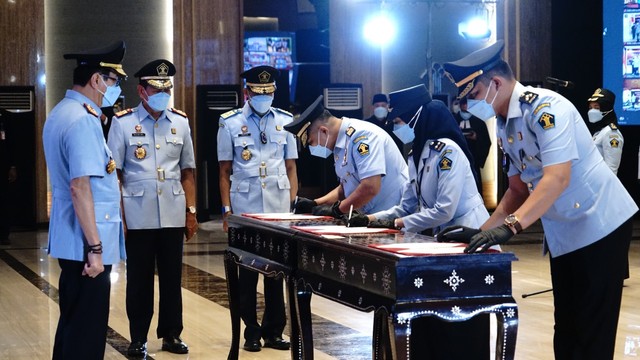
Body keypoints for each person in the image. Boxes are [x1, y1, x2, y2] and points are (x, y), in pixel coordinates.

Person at [439, 40, 638, 360]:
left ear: (496, 83)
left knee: (591, 332)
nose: (473, 104)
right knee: (567, 329)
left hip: (601, 225)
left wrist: (512, 227)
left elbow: (556, 178)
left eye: (473, 95)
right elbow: (516, 191)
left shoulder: (547, 108)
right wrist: (482, 231)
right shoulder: (505, 123)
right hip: (565, 233)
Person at [347, 84, 491, 359]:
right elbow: (407, 205)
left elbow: (444, 210)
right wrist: (369, 219)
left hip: (467, 239)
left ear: (417, 117)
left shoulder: (448, 152)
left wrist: (399, 224)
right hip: (442, 241)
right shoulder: (417, 153)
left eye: (400, 121)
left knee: (459, 321)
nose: (398, 127)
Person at [42, 40, 127, 360]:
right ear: (96, 80)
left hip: (72, 237)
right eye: (113, 81)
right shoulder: (82, 119)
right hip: (86, 242)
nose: (116, 89)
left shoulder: (64, 112)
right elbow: (80, 187)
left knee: (73, 323)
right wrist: (95, 249)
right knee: (87, 332)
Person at [107, 59, 197, 357]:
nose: (164, 93)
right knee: (139, 280)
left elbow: (188, 172)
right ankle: (138, 338)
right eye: (157, 88)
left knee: (172, 278)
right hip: (137, 214)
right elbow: (115, 175)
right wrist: (119, 216)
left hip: (172, 210)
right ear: (142, 91)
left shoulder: (180, 122)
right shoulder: (122, 123)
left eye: (167, 88)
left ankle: (172, 334)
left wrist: (191, 211)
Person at [217, 65, 297, 353]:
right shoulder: (229, 123)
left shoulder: (286, 121)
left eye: (269, 92)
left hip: (278, 208)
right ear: (247, 92)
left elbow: (291, 168)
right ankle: (250, 330)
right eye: (258, 92)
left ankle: (274, 330)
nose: (264, 97)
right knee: (247, 273)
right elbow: (224, 170)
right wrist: (227, 211)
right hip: (245, 207)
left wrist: (293, 208)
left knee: (277, 272)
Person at [286, 95, 409, 217]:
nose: (312, 148)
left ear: (324, 131)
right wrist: (315, 203)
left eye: (311, 142)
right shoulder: (341, 144)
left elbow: (370, 186)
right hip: (372, 218)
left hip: (394, 217)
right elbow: (346, 187)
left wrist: (337, 210)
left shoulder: (362, 137)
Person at [453, 96, 492, 196]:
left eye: (467, 104)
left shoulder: (479, 122)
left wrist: (476, 138)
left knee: (474, 186)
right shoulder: (452, 121)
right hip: (456, 161)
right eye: (463, 104)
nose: (465, 107)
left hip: (473, 160)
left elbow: (486, 142)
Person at [586, 88, 623, 175]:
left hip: (602, 184)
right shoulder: (599, 131)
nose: (592, 111)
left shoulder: (611, 133)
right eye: (590, 107)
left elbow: (612, 168)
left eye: (597, 107)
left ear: (607, 109)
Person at [364, 93, 406, 157]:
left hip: (394, 159)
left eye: (383, 105)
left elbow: (404, 141)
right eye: (377, 106)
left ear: (387, 106)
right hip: (375, 159)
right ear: (372, 107)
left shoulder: (395, 122)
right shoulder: (366, 124)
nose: (380, 108)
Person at [0, 108, 17, 245]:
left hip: (3, 166)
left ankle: (4, 233)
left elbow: (12, 143)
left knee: (4, 200)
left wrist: (12, 166)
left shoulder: (4, 117)